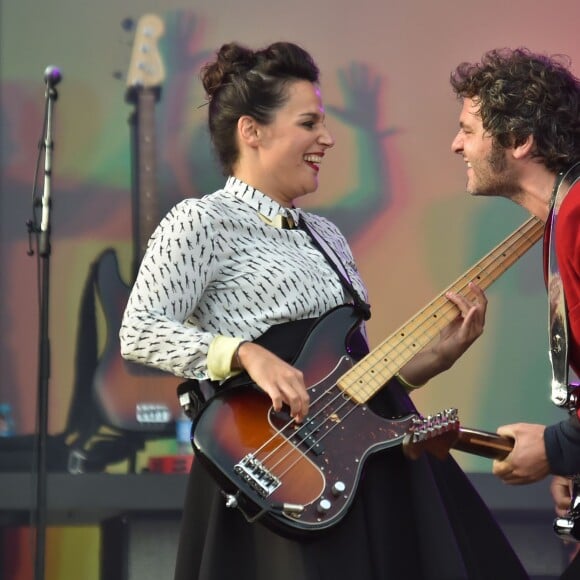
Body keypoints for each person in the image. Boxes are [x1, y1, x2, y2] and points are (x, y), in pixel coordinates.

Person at [120, 41, 527, 579]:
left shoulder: (326, 233)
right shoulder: (200, 221)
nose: (327, 139)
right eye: (309, 123)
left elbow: (348, 384)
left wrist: (436, 359)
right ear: (252, 131)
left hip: (363, 468)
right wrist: (245, 355)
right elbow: (140, 332)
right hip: (276, 471)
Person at [449, 46, 580, 557]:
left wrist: (557, 448)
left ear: (520, 140)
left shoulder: (576, 217)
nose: (455, 144)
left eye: (469, 129)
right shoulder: (561, 216)